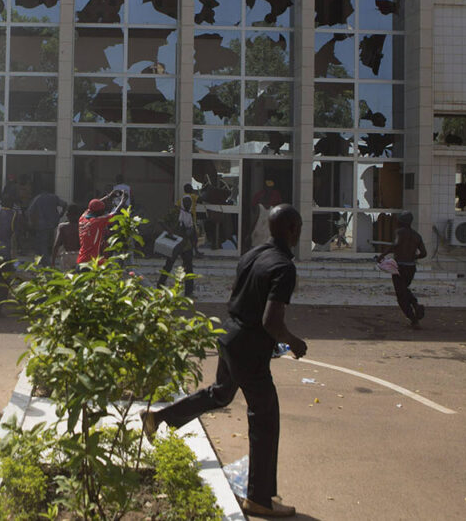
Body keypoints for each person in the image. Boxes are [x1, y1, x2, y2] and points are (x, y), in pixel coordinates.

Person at [140, 204, 308, 518]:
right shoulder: (283, 267)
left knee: (220, 393)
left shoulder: (252, 254)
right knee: (265, 418)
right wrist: (293, 341)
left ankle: (159, 419)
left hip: (229, 333)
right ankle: (259, 498)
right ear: (293, 229)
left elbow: (237, 293)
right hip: (250, 345)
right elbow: (271, 320)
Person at [375, 211, 427, 326]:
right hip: (411, 268)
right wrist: (414, 256)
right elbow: (424, 253)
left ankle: (413, 318)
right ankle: (415, 304)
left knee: (400, 295)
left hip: (399, 267)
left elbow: (395, 245)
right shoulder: (417, 236)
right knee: (404, 289)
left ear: (402, 222)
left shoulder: (399, 232)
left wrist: (382, 255)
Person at [158, 195, 197, 297]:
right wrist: (169, 231)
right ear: (183, 203)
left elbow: (192, 228)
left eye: (190, 203)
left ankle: (189, 292)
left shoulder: (190, 215)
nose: (188, 205)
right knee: (168, 266)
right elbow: (161, 221)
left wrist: (193, 242)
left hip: (186, 245)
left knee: (189, 268)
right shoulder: (174, 212)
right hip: (174, 244)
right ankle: (160, 287)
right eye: (186, 203)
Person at [77, 191, 120, 265]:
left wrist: (108, 196)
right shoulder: (98, 222)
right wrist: (123, 200)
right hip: (91, 262)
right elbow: (115, 213)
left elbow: (91, 206)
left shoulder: (82, 218)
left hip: (81, 260)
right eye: (103, 210)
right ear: (99, 212)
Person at [26, 189, 66, 259]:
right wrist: (61, 214)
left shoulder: (38, 198)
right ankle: (47, 258)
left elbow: (30, 211)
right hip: (53, 224)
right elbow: (65, 204)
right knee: (50, 243)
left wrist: (31, 222)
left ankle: (45, 262)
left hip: (42, 225)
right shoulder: (54, 197)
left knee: (42, 244)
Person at [51, 203, 82, 269]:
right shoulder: (82, 226)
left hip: (67, 256)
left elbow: (56, 245)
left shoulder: (63, 227)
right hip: (80, 255)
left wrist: (53, 262)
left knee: (66, 277)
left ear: (67, 215)